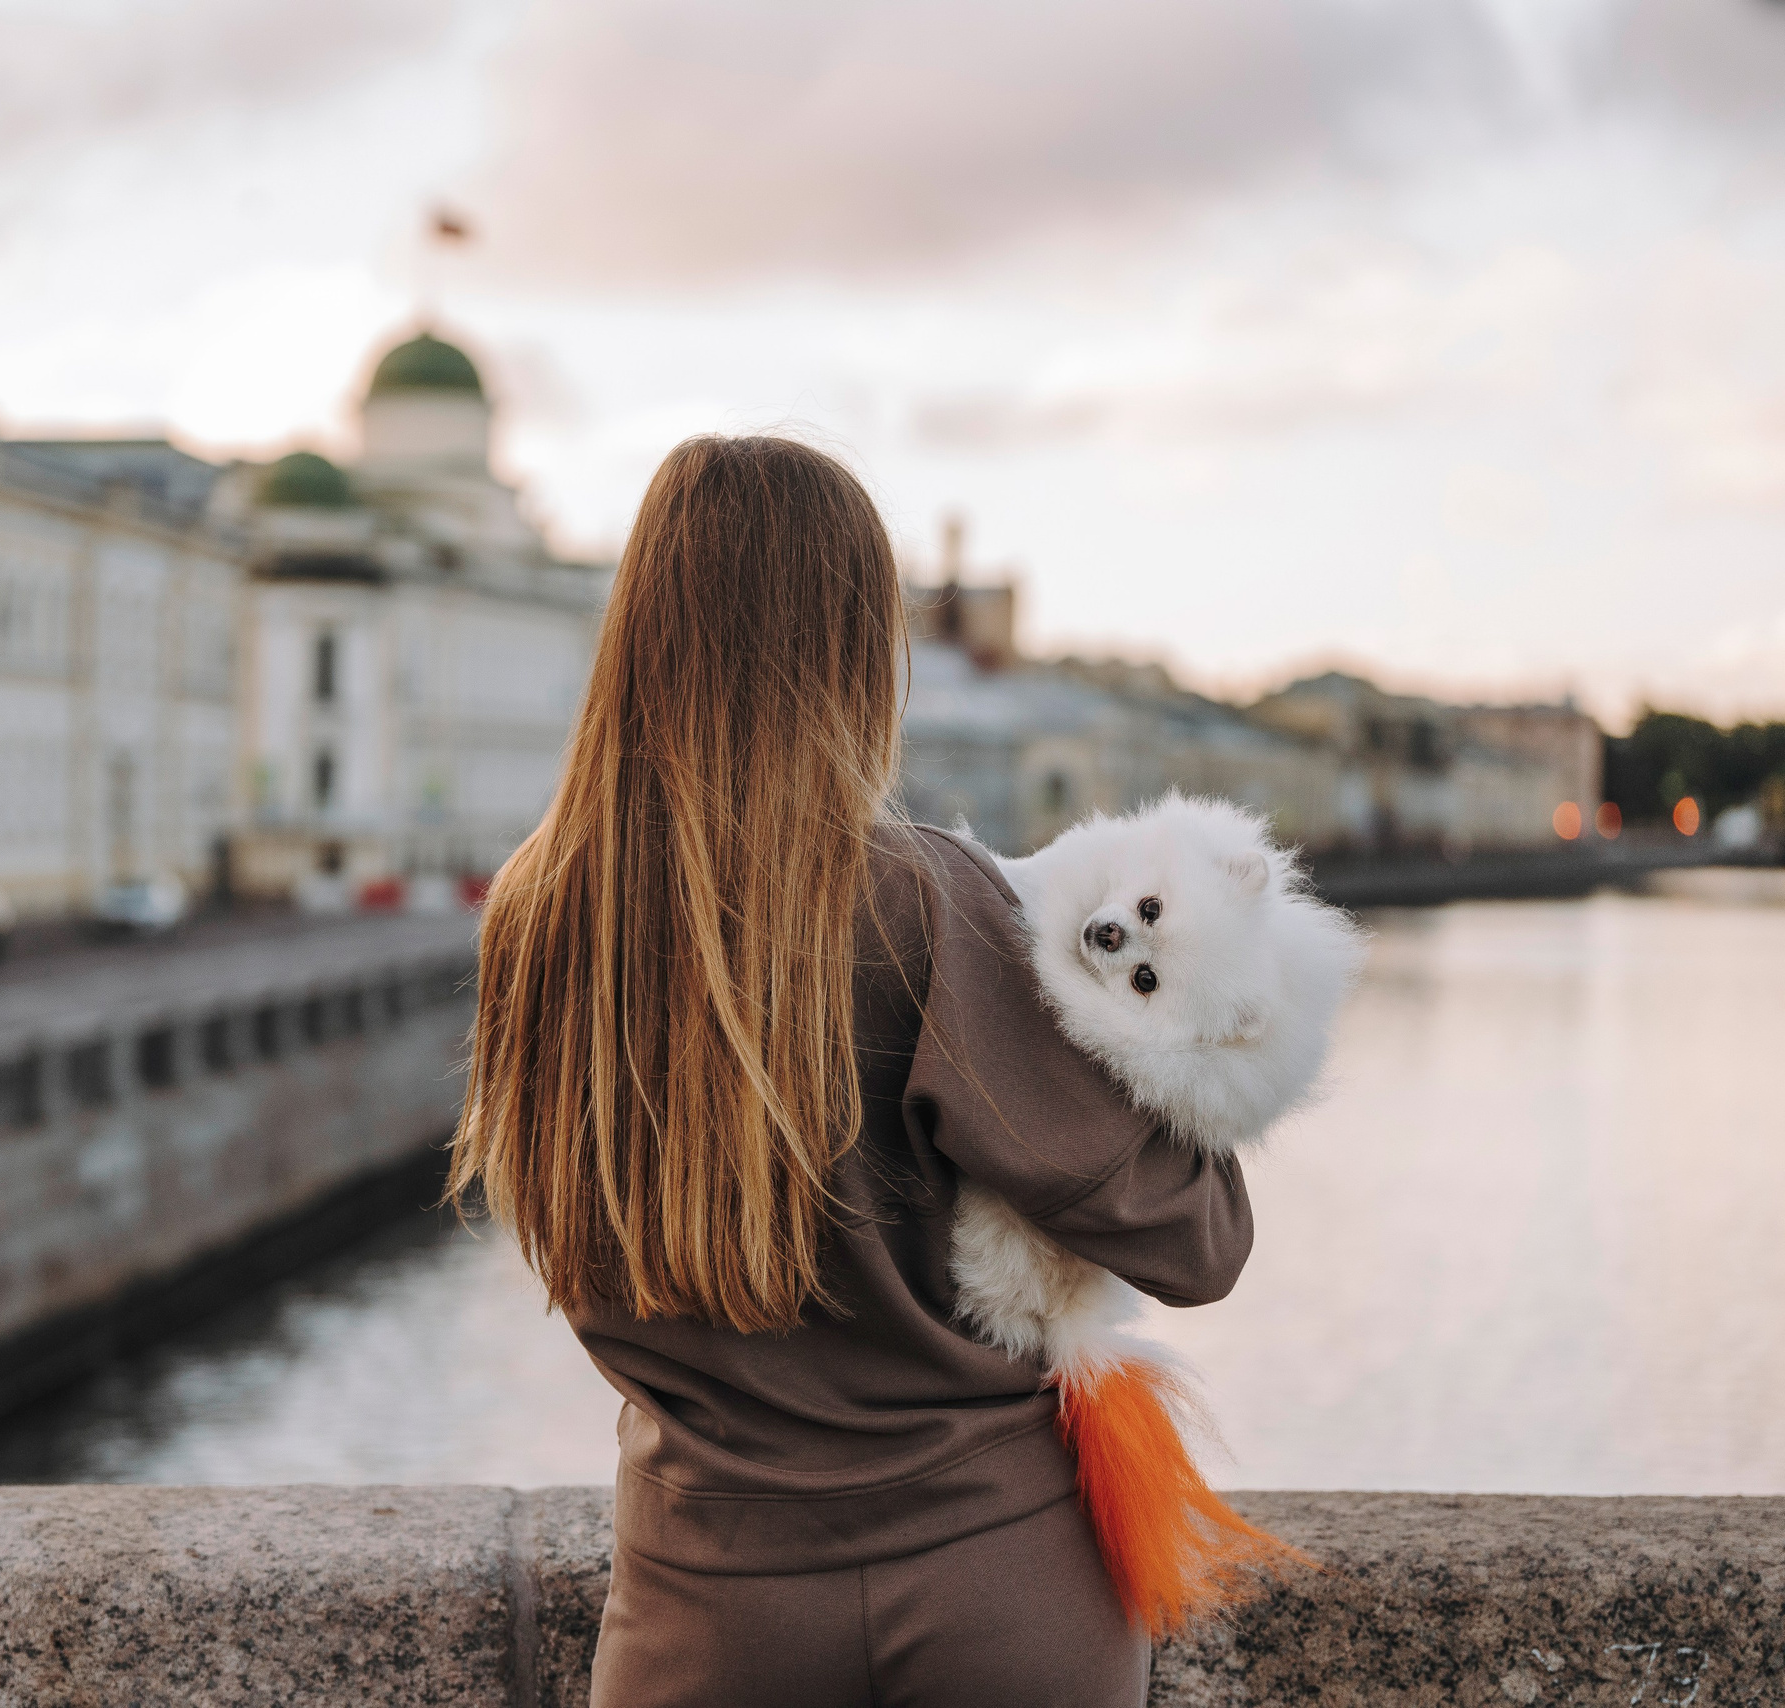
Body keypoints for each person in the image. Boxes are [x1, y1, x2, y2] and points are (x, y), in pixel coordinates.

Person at [447, 435, 1252, 1707]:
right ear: (853, 647)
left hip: (701, 1600)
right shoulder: (927, 901)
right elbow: (1194, 1243)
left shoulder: (543, 912)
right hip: (996, 1583)